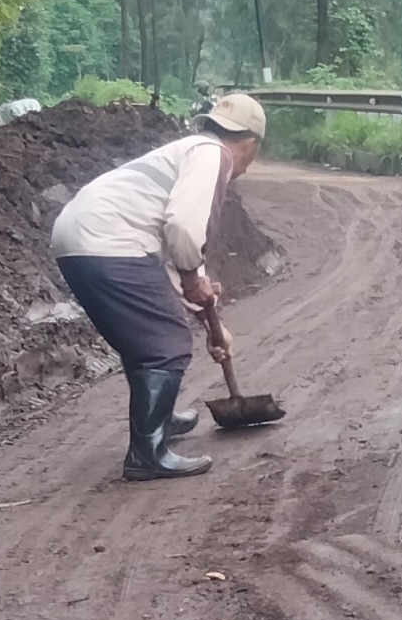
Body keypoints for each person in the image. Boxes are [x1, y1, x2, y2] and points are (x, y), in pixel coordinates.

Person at [50, 94, 267, 481]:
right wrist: (190, 280)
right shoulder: (214, 155)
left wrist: (211, 321)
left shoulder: (188, 150)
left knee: (148, 336)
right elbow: (184, 227)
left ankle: (160, 420)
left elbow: (175, 247)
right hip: (109, 240)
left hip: (81, 236)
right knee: (165, 344)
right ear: (250, 144)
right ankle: (147, 454)